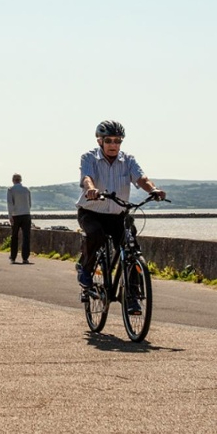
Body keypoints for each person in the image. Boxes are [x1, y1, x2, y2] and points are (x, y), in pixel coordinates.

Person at [75, 120, 165, 315]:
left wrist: (153, 189)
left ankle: (132, 297)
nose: (113, 145)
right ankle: (85, 270)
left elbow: (141, 178)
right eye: (109, 140)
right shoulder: (89, 158)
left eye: (117, 141)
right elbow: (86, 178)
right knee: (95, 235)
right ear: (100, 141)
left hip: (118, 214)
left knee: (131, 249)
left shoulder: (128, 160)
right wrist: (91, 189)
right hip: (91, 212)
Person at [7, 173, 33, 264]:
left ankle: (13, 257)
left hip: (16, 215)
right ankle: (25, 257)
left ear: (13, 180)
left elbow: (10, 204)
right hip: (26, 214)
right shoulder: (26, 190)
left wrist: (10, 216)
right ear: (20, 180)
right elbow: (30, 203)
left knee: (14, 236)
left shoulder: (11, 190)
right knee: (26, 236)